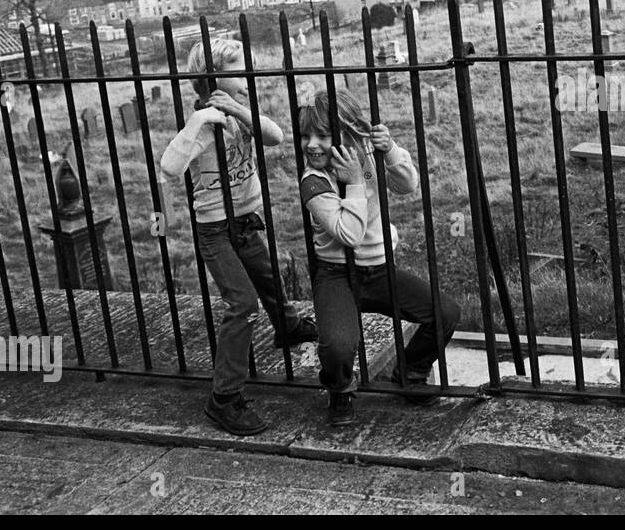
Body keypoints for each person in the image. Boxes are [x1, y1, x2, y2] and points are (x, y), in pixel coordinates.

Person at [160, 38, 317, 436]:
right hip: (215, 229)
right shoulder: (201, 127)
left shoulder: (239, 114)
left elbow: (276, 136)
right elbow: (169, 167)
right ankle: (224, 398)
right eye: (237, 72)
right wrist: (198, 122)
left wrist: (239, 111)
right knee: (243, 304)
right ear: (211, 79)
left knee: (268, 278)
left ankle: (288, 326)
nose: (247, 79)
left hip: (246, 220)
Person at [297, 87, 459, 426]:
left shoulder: (364, 155)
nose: (312, 144)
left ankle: (410, 373)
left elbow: (408, 185)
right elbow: (349, 234)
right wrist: (355, 182)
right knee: (338, 346)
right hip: (336, 273)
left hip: (379, 270)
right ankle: (341, 389)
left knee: (445, 312)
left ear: (351, 134)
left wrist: (390, 152)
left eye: (323, 135)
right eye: (306, 135)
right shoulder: (313, 181)